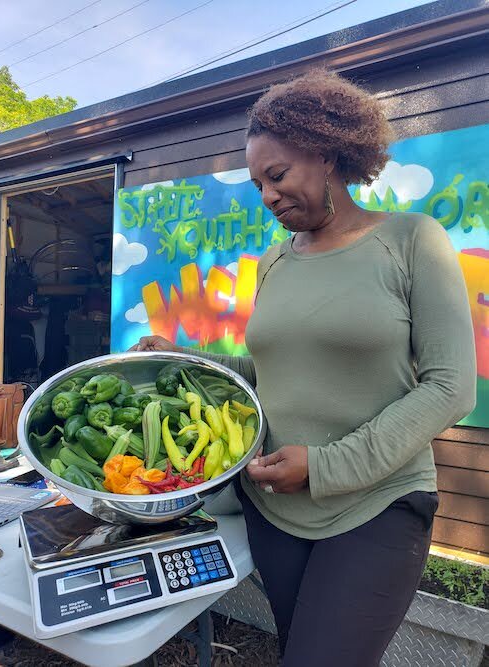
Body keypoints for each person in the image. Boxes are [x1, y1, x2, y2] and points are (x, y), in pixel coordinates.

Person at [130, 68, 476, 667]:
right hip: (276, 507)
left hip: (378, 501)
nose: (267, 196)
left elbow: (450, 387)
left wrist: (326, 466)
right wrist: (183, 356)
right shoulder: (273, 262)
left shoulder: (412, 240)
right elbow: (268, 369)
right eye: (258, 183)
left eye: (278, 175)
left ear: (328, 154)